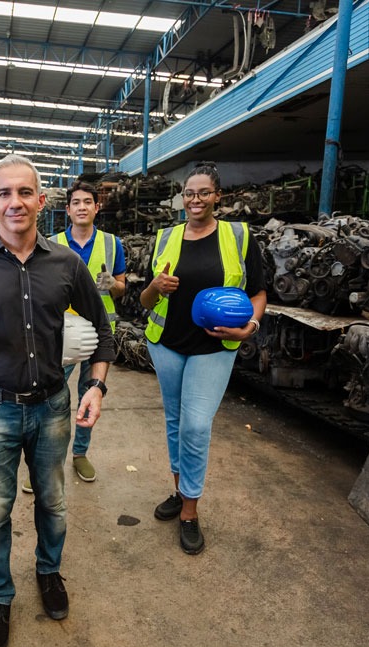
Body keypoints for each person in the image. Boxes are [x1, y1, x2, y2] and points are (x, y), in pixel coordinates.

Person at [0, 154, 116, 647]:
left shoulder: (66, 264)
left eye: (24, 193)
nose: (14, 202)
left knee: (53, 503)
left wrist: (96, 386)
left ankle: (48, 571)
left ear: (42, 200)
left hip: (52, 407)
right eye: (4, 193)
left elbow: (103, 330)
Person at [138, 162, 267, 556]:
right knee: (175, 421)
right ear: (183, 198)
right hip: (167, 344)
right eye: (189, 194)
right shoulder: (165, 238)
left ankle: (190, 511)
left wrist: (251, 327)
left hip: (213, 348)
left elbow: (259, 292)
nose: (195, 200)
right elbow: (144, 300)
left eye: (203, 193)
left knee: (195, 426)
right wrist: (156, 287)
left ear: (217, 196)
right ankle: (179, 492)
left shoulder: (239, 236)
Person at [21, 180, 126, 491]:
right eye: (76, 202)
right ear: (67, 210)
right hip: (60, 336)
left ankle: (80, 453)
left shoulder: (112, 244)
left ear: (97, 207)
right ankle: (40, 462)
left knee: (89, 394)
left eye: (87, 202)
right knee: (48, 396)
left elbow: (122, 288)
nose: (82, 207)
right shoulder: (50, 244)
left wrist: (113, 285)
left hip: (98, 334)